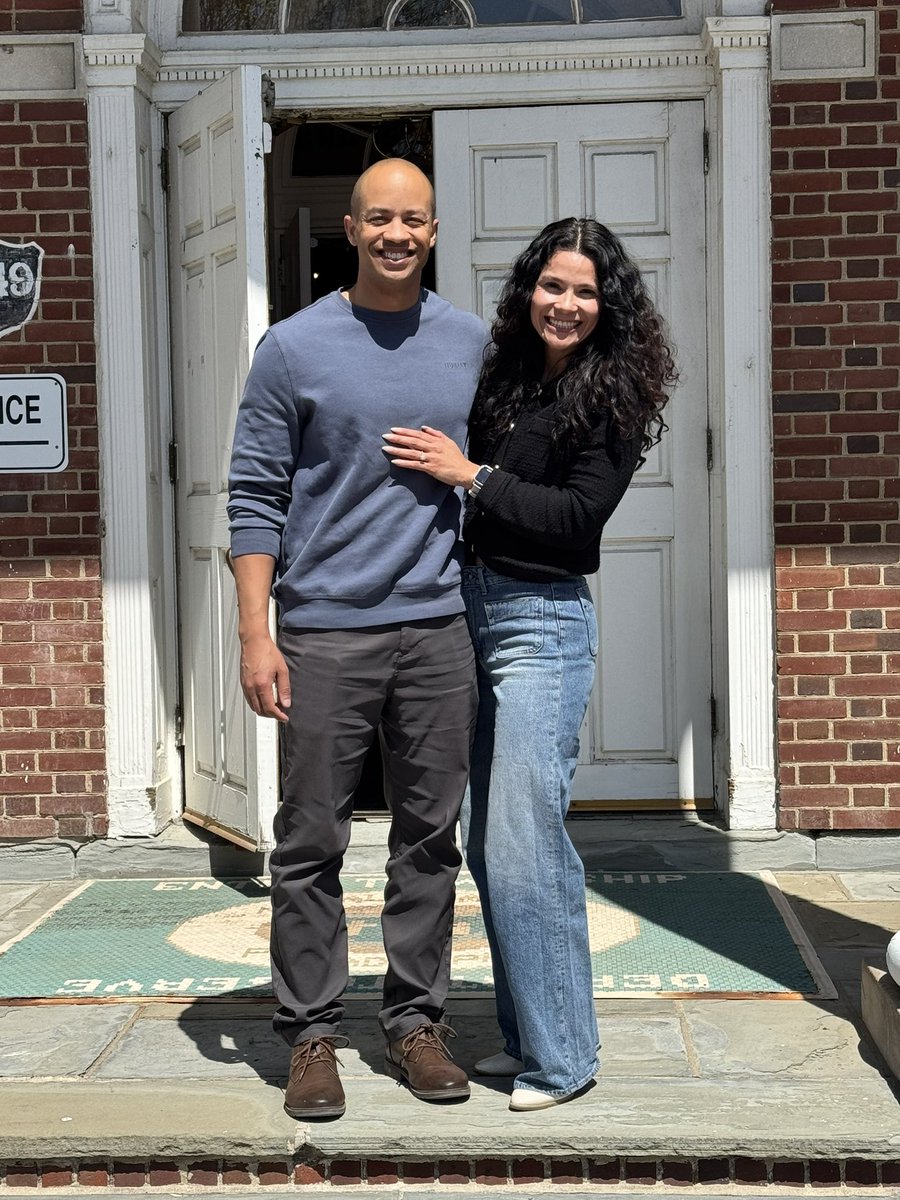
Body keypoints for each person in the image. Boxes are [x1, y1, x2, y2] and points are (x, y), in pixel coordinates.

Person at [383, 216, 675, 1111]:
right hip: (467, 609)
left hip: (539, 623)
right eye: (554, 286)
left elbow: (575, 521)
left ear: (608, 304)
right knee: (486, 841)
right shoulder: (507, 377)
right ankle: (527, 1035)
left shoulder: (616, 394)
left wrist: (468, 476)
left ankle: (564, 1059)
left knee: (523, 842)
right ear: (529, 290)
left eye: (586, 291)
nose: (567, 303)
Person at [227, 158, 487, 1120]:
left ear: (433, 228)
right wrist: (258, 635)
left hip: (435, 628)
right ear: (350, 226)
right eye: (379, 218)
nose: (396, 234)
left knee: (429, 840)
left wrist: (476, 471)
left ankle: (417, 1022)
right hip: (326, 633)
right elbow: (253, 497)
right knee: (309, 842)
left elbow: (505, 462)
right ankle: (311, 1035)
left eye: (413, 219)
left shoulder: (470, 341)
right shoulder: (292, 348)